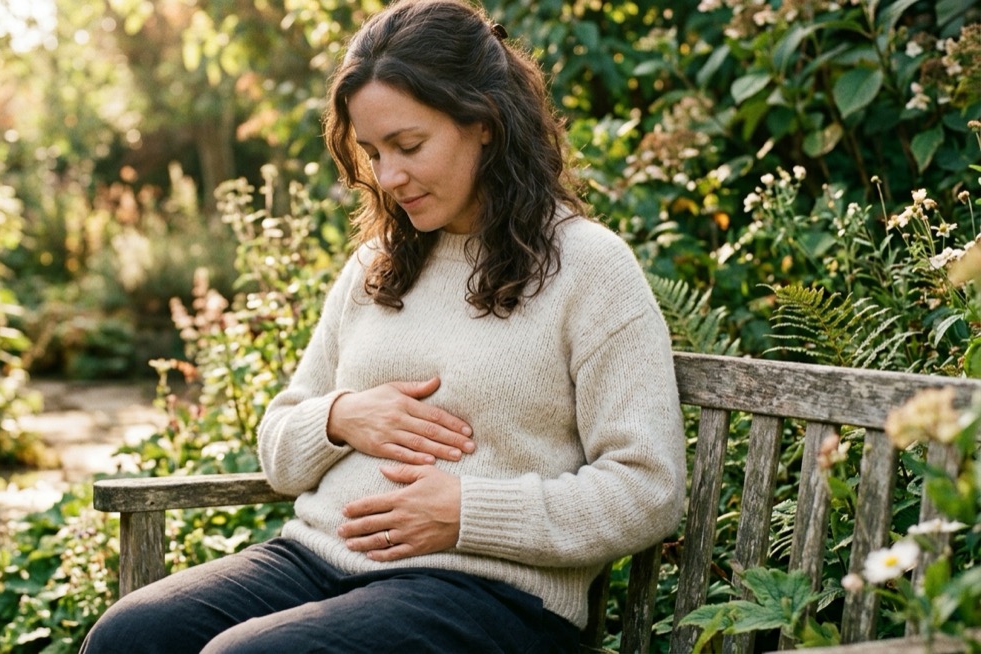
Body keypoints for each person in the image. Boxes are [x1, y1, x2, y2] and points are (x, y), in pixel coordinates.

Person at [81, 0, 686, 651]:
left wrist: (466, 514)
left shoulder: (588, 268)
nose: (388, 177)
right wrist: (341, 416)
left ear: (484, 121)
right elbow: (279, 445)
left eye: (409, 145)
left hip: (488, 594)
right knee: (131, 636)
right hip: (316, 562)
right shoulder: (378, 264)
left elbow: (647, 487)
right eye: (372, 152)